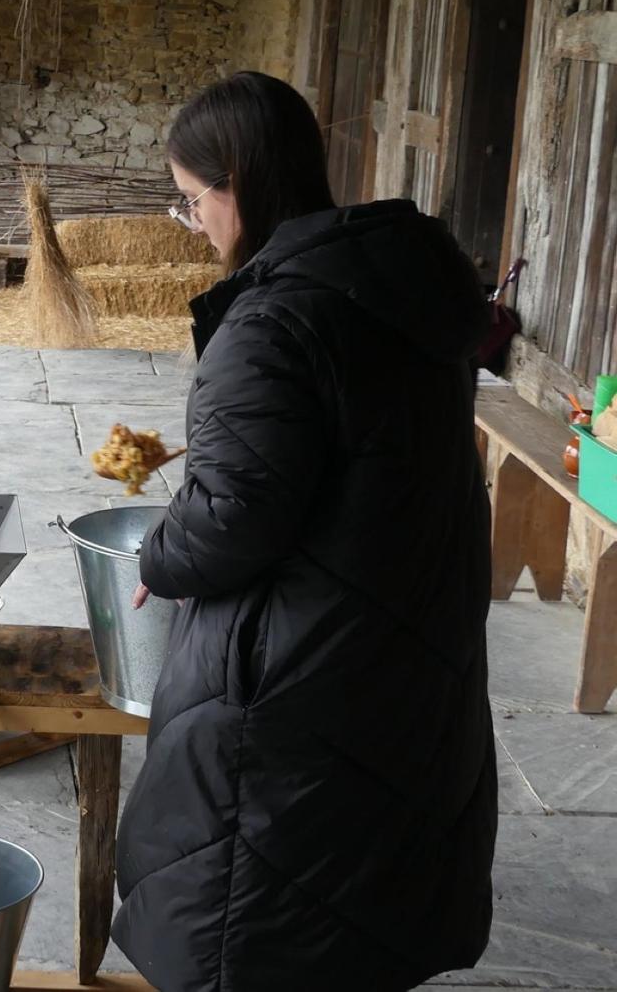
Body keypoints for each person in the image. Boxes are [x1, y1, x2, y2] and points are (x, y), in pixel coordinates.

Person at [115, 72, 497, 991]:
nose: (195, 223)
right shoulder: (395, 292)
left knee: (264, 923)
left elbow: (233, 521)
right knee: (360, 913)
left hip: (302, 682)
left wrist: (158, 555)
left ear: (235, 184)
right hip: (403, 649)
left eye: (191, 201)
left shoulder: (272, 321)